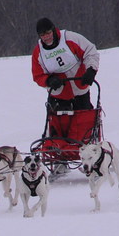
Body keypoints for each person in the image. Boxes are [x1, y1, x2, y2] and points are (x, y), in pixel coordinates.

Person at [30, 17, 100, 160]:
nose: (46, 37)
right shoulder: (38, 52)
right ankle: (59, 159)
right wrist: (49, 80)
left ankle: (89, 155)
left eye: (48, 33)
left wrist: (91, 70)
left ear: (53, 30)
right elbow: (37, 76)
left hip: (80, 88)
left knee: (83, 124)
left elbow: (90, 52)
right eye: (42, 35)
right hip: (59, 94)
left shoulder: (69, 38)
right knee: (59, 127)